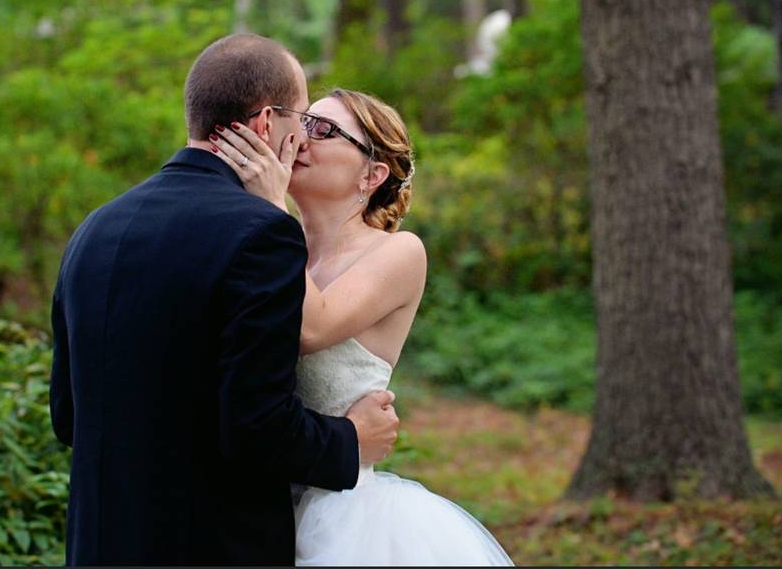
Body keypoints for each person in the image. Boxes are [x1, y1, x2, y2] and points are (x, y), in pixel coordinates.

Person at [49, 34, 400, 566]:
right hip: (209, 545)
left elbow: (68, 416)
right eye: (301, 120)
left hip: (99, 543)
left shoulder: (95, 228)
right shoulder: (262, 233)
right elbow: (257, 426)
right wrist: (350, 443)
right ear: (265, 124)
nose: (303, 141)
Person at [211, 87, 516, 566]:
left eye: (325, 130)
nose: (301, 139)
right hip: (250, 509)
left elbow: (311, 328)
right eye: (303, 122)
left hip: (344, 518)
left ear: (372, 175)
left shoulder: (398, 252)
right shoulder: (273, 250)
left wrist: (271, 205)